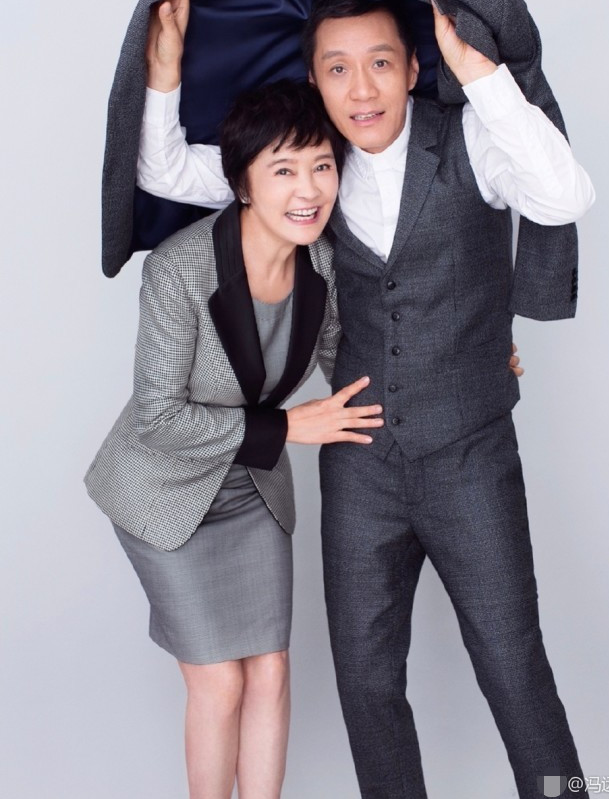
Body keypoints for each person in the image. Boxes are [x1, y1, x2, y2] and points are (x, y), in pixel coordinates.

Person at [135, 0, 593, 798]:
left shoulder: (474, 138)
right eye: (337, 69)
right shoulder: (314, 167)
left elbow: (564, 195)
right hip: (359, 463)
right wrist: (165, 70)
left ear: (413, 67)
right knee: (366, 680)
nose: (361, 88)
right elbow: (167, 170)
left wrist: (480, 75)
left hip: (471, 455)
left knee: (513, 664)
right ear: (315, 81)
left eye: (380, 63)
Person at [84, 79, 392, 799]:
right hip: (162, 491)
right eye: (283, 169)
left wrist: (471, 357)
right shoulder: (179, 269)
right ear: (244, 184)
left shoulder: (322, 264)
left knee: (272, 672)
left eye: (321, 165)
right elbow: (158, 416)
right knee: (220, 681)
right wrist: (286, 427)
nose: (308, 189)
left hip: (251, 490)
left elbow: (356, 365)